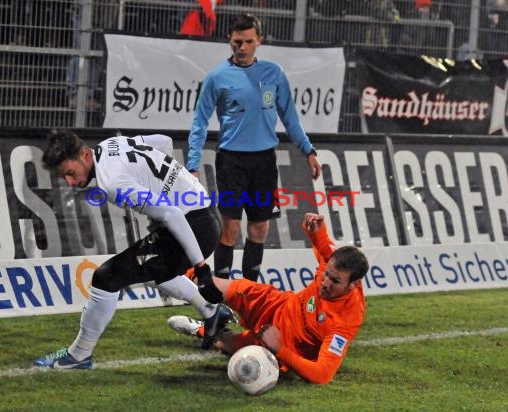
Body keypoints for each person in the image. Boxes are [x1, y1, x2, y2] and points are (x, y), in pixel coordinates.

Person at [34, 130, 232, 369]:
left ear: (85, 155)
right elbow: (164, 142)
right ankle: (212, 312)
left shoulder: (111, 183)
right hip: (204, 214)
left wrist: (201, 268)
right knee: (145, 269)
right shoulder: (110, 144)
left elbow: (172, 213)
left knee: (106, 277)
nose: (70, 182)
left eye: (70, 173)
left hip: (195, 226)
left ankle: (79, 355)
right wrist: (166, 186)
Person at [186, 13, 322, 283]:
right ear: (229, 41)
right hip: (231, 162)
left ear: (259, 41)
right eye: (237, 41)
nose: (242, 47)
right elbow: (199, 123)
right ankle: (221, 292)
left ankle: (250, 292)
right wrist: (192, 166)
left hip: (264, 163)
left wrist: (309, 151)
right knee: (230, 227)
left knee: (259, 228)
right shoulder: (217, 77)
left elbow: (290, 117)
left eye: (248, 41)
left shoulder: (273, 73)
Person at [169, 213, 369, 384]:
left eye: (334, 281)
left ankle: (204, 329)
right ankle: (163, 268)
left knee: (225, 346)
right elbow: (324, 246)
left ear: (353, 285)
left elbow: (322, 375)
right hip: (274, 304)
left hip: (282, 343)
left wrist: (279, 348)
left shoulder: (346, 321)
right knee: (206, 283)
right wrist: (316, 230)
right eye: (325, 274)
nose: (325, 283)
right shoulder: (333, 263)